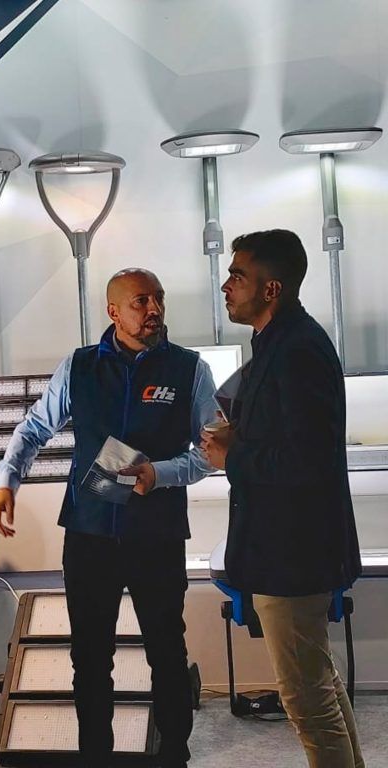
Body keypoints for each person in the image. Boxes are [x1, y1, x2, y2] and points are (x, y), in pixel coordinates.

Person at [0, 268, 218, 768]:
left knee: (166, 652)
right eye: (141, 301)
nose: (154, 309)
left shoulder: (189, 369)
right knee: (90, 658)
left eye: (158, 299)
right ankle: (96, 756)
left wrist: (159, 473)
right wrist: (7, 480)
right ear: (114, 311)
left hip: (156, 535)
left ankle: (174, 756)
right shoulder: (79, 367)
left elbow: (211, 452)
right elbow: (34, 427)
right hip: (90, 534)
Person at [200, 229, 363, 768]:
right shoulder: (278, 344)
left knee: (306, 700)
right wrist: (238, 438)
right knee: (319, 685)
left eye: (237, 275)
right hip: (285, 547)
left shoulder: (297, 351)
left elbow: (305, 462)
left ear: (270, 288)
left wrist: (232, 457)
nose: (226, 285)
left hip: (293, 553)